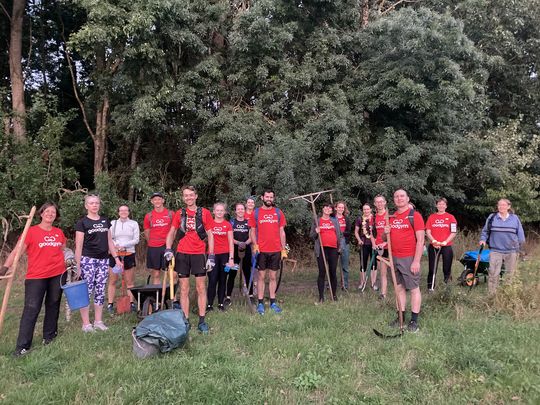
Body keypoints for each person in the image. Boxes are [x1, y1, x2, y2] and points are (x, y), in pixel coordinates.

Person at [1, 203, 67, 356]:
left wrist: (70, 263)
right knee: (31, 309)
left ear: (56, 216)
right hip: (36, 276)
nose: (50, 214)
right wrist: (5, 267)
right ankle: (23, 346)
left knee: (53, 305)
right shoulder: (31, 232)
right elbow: (18, 250)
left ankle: (49, 337)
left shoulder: (59, 232)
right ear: (41, 214)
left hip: (57, 274)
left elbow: (63, 250)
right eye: (47, 211)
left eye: (53, 212)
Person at [164, 185, 214, 334]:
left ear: (196, 196)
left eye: (191, 195)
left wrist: (211, 255)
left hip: (199, 254)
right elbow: (172, 232)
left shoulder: (204, 213)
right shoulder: (179, 213)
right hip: (182, 254)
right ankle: (185, 320)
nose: (189, 198)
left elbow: (210, 235)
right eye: (186, 195)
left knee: (200, 287)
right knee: (184, 288)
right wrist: (168, 249)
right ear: (183, 197)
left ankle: (202, 320)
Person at [75, 195, 123, 332]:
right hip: (88, 260)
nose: (94, 205)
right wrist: (77, 265)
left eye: (96, 203)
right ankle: (86, 324)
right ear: (86, 206)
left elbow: (110, 242)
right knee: (87, 291)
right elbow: (78, 246)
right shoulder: (82, 223)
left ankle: (98, 321)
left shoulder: (105, 221)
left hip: (103, 260)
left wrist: (117, 258)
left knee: (100, 290)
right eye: (91, 203)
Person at [384, 189, 425, 333]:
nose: (399, 198)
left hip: (409, 258)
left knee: (414, 289)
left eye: (402, 196)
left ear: (408, 198)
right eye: (396, 196)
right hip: (393, 258)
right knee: (399, 288)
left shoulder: (415, 216)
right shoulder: (392, 217)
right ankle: (400, 317)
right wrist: (386, 232)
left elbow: (420, 240)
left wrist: (416, 261)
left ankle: (414, 321)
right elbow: (386, 239)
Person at [249, 189, 287, 315]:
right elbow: (252, 231)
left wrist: (283, 249)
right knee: (261, 276)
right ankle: (260, 303)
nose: (269, 199)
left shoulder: (278, 212)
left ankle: (272, 302)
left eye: (271, 197)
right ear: (262, 198)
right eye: (267, 197)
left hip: (276, 250)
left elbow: (282, 231)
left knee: (273, 276)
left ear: (273, 199)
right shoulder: (256, 212)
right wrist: (255, 245)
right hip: (262, 251)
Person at [479, 198, 525, 294]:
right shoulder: (492, 217)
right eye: (499, 205)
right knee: (493, 273)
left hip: (511, 251)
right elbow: (485, 231)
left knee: (510, 274)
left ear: (508, 207)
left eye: (504, 205)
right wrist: (483, 239)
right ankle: (492, 294)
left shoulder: (515, 218)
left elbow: (520, 234)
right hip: (496, 250)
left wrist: (520, 248)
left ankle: (508, 293)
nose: (501, 207)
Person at [106, 204, 140, 313]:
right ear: (118, 212)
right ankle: (110, 304)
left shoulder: (133, 224)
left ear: (129, 212)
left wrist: (124, 245)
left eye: (126, 210)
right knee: (113, 280)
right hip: (115, 254)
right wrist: (116, 245)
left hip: (129, 253)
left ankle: (131, 303)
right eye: (121, 210)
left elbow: (136, 239)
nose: (123, 212)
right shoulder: (112, 223)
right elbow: (109, 238)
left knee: (129, 281)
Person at [310, 202, 341, 302]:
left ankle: (334, 295)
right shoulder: (317, 220)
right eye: (326, 207)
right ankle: (321, 297)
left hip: (333, 249)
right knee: (322, 272)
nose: (328, 209)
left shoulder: (334, 221)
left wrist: (339, 248)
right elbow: (312, 236)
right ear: (322, 209)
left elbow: (339, 235)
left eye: (330, 208)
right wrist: (316, 232)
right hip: (321, 249)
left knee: (333, 272)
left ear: (332, 210)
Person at [206, 203, 234, 312]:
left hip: (225, 256)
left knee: (223, 279)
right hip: (212, 256)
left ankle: (221, 303)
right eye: (217, 210)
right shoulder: (209, 224)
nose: (219, 212)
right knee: (212, 280)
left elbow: (231, 242)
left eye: (221, 210)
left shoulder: (227, 225)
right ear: (213, 211)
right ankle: (209, 305)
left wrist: (231, 258)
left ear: (225, 212)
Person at [425, 198, 457, 291]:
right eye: (439, 204)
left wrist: (445, 242)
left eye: (443, 204)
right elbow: (428, 231)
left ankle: (447, 288)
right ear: (436, 205)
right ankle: (430, 287)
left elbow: (453, 232)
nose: (441, 206)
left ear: (446, 206)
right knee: (432, 268)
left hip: (446, 246)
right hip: (433, 246)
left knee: (446, 268)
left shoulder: (451, 217)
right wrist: (434, 241)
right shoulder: (431, 217)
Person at [226, 202, 253, 305]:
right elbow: (230, 237)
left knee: (247, 273)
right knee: (232, 273)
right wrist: (238, 243)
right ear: (236, 211)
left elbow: (251, 236)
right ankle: (228, 296)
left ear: (244, 210)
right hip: (234, 250)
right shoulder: (232, 222)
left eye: (242, 209)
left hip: (246, 250)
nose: (240, 211)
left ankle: (250, 295)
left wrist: (245, 243)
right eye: (238, 209)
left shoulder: (248, 222)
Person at [143, 192, 173, 284]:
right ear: (152, 201)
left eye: (159, 199)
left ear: (163, 200)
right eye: (155, 199)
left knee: (171, 273)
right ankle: (158, 296)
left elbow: (174, 231)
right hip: (154, 247)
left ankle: (172, 296)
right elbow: (147, 232)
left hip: (167, 247)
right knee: (156, 274)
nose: (157, 201)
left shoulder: (170, 214)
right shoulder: (148, 216)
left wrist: (169, 243)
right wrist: (152, 242)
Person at [354, 203, 376, 289]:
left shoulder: (375, 218)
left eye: (368, 209)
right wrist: (359, 240)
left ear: (371, 209)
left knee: (374, 264)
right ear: (362, 210)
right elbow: (356, 231)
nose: (366, 211)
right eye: (364, 209)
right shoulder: (359, 219)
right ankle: (362, 282)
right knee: (363, 264)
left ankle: (373, 283)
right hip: (364, 243)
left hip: (374, 244)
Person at [372, 195, 388, 298]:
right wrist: (374, 244)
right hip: (379, 248)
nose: (380, 204)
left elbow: (394, 233)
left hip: (389, 247)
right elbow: (372, 233)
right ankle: (383, 293)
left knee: (397, 270)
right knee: (382, 272)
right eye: (377, 202)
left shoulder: (389, 216)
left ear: (385, 202)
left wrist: (386, 243)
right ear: (375, 204)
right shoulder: (373, 218)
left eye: (381, 202)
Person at [335, 201, 352, 290]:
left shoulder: (346, 219)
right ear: (336, 208)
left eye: (342, 207)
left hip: (344, 242)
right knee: (332, 265)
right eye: (339, 207)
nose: (341, 209)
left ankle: (344, 285)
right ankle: (330, 284)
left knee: (344, 265)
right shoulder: (332, 218)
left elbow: (349, 231)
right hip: (334, 242)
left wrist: (341, 233)